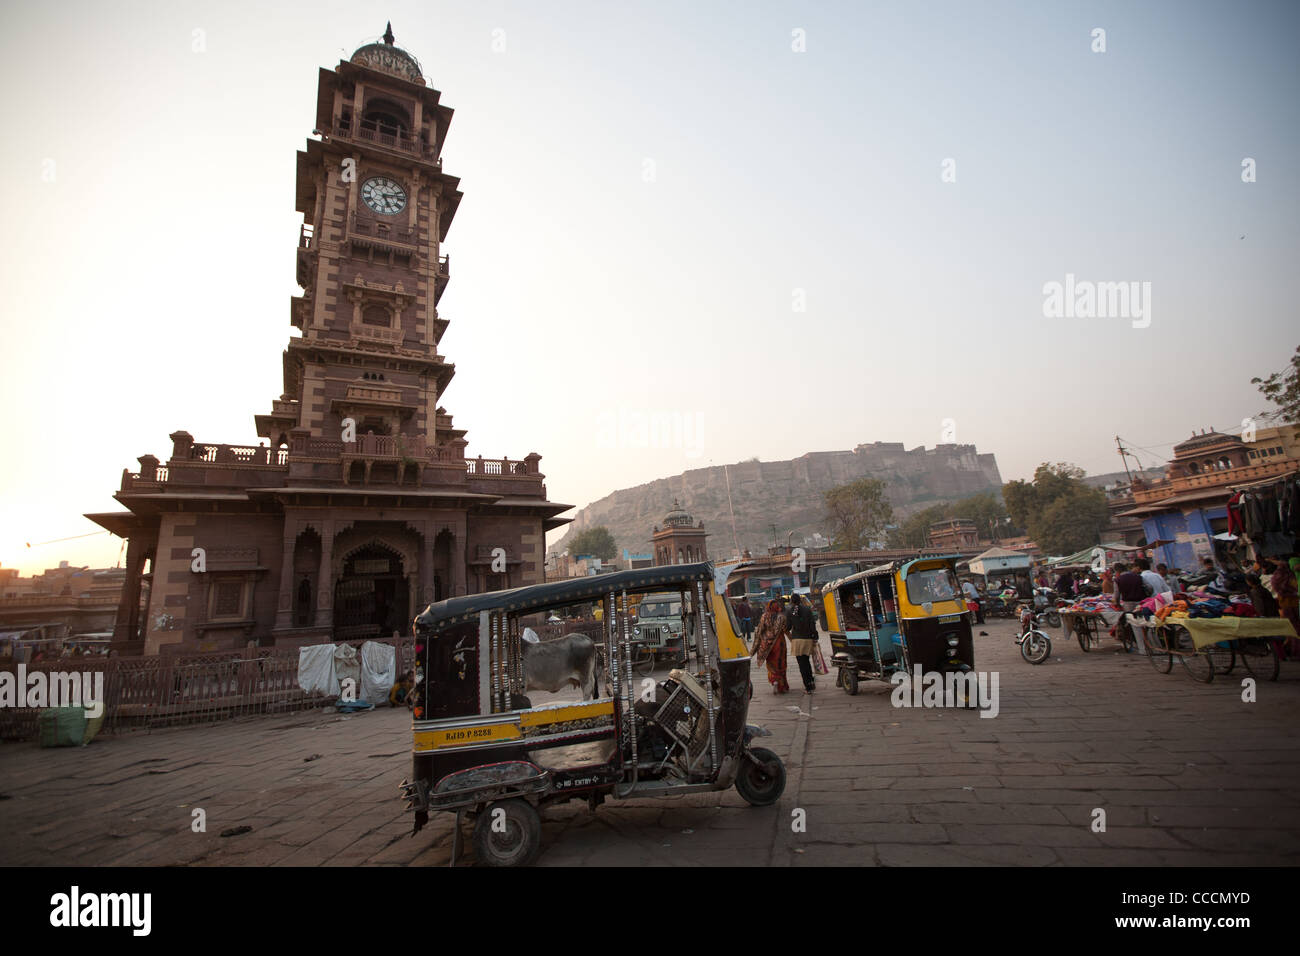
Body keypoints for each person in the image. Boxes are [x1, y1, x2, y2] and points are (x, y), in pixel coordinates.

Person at [750, 599, 790, 694]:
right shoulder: (782, 617)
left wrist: (754, 648)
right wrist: (793, 640)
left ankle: (774, 681)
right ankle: (781, 685)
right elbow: (786, 630)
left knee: (771, 664)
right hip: (779, 644)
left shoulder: (764, 616)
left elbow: (759, 631)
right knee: (780, 663)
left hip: (767, 644)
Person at [785, 594, 819, 693]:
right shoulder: (807, 610)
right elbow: (812, 624)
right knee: (807, 662)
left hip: (797, 641)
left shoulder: (789, 611)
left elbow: (788, 627)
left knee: (802, 664)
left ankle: (808, 686)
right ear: (800, 600)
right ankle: (811, 681)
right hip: (808, 639)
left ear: (791, 601)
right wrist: (815, 636)